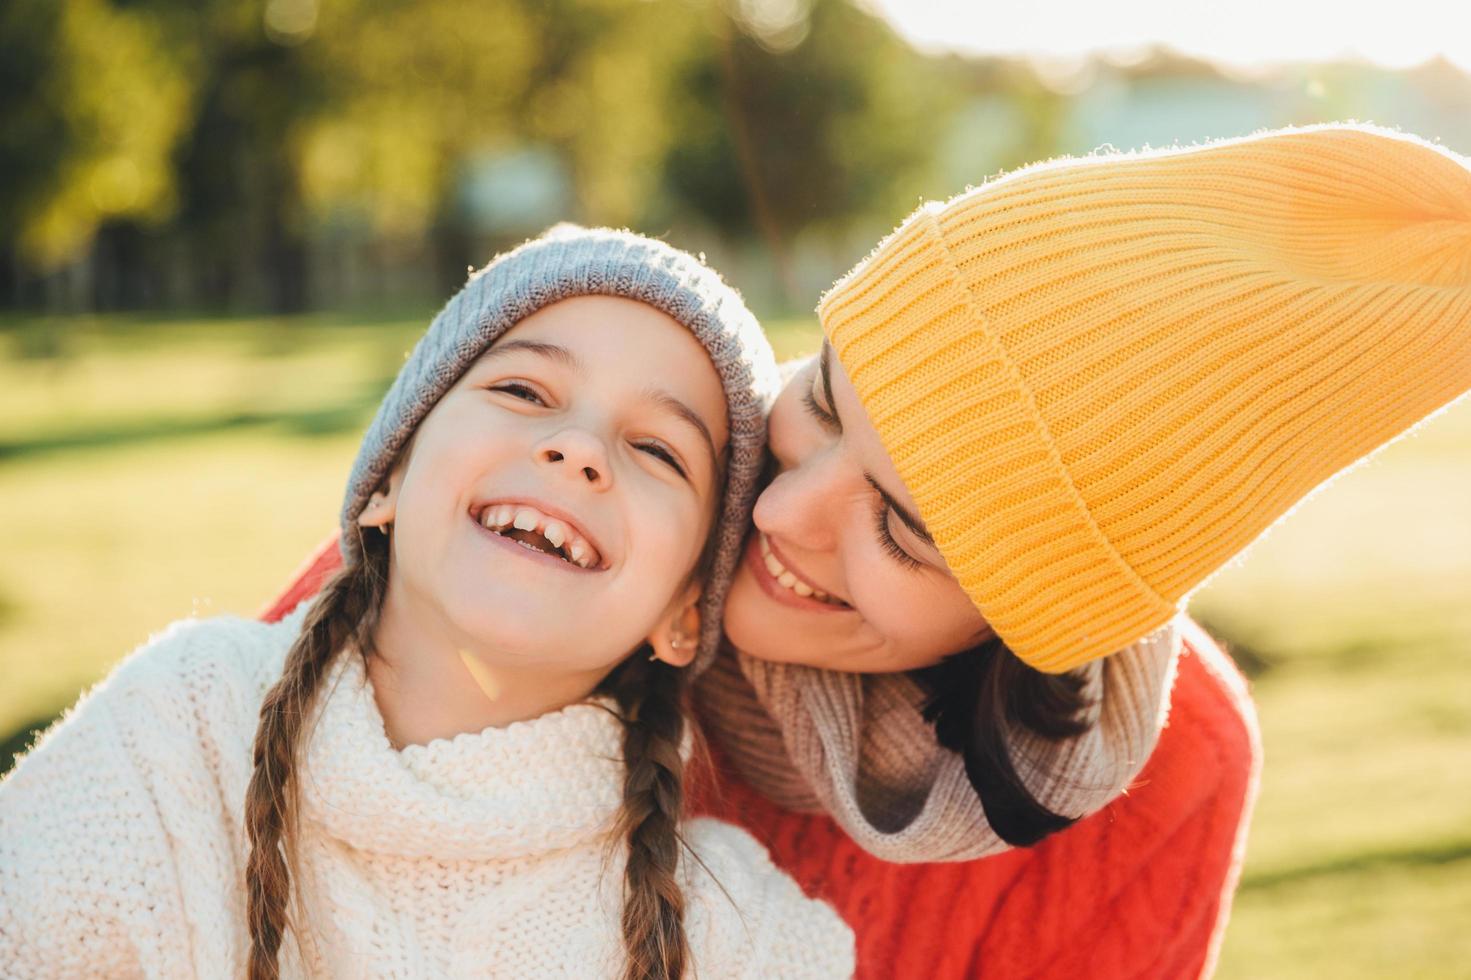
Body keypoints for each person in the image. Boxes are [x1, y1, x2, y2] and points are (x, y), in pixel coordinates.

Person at [262, 123, 1467, 978]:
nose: (782, 514)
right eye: (826, 402)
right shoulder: (537, 552)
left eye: (901, 527)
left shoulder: (1172, 775)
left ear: (1028, 619)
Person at [0, 226, 856, 979]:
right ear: (390, 478)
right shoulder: (178, 733)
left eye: (657, 450)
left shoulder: (734, 937)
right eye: (523, 392)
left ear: (686, 612)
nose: (576, 449)